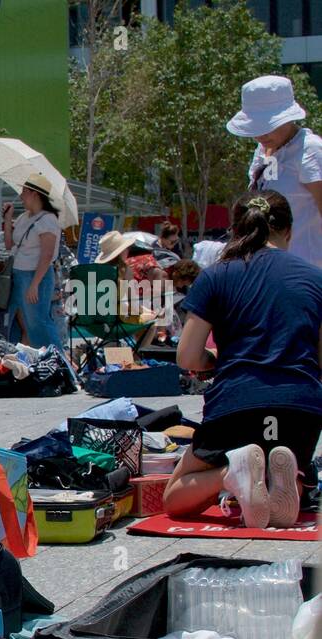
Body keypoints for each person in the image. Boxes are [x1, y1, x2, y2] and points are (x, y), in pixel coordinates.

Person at [164, 191, 322, 529]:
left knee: (175, 496)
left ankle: (229, 473)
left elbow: (187, 356)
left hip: (237, 406)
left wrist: (215, 361)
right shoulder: (315, 278)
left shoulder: (216, 275)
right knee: (288, 462)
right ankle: (288, 481)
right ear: (289, 231)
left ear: (236, 231)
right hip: (299, 408)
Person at [228, 75, 322, 269]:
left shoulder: (311, 149)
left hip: (308, 269)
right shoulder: (262, 152)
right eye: (255, 127)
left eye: (268, 126)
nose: (260, 135)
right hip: (268, 268)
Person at [1, 173, 63, 349]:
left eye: (24, 191)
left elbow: (47, 254)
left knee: (38, 322)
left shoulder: (48, 220)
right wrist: (7, 220)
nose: (20, 195)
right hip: (20, 274)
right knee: (21, 322)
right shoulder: (23, 217)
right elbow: (9, 244)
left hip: (35, 276)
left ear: (34, 193)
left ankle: (57, 359)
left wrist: (35, 283)